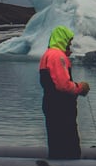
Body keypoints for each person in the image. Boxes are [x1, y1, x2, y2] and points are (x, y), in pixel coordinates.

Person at [39, 26, 91, 159]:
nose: (70, 44)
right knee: (68, 143)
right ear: (62, 39)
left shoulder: (48, 54)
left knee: (56, 142)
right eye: (69, 40)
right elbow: (63, 85)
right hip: (60, 108)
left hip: (52, 105)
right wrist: (80, 88)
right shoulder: (57, 56)